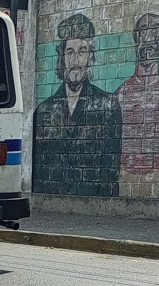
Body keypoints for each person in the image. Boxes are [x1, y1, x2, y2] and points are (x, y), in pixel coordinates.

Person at [33, 13, 122, 197]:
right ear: (62, 58)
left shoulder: (108, 105)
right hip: (51, 209)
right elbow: (39, 171)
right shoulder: (43, 111)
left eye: (82, 51)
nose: (75, 61)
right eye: (70, 52)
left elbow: (110, 171)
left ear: (90, 57)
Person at [116, 13, 159, 173]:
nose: (148, 37)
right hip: (127, 176)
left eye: (155, 30)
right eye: (143, 31)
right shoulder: (121, 94)